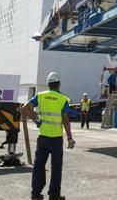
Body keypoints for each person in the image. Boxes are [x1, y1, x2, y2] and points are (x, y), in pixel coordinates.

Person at [22, 72, 75, 200]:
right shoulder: (63, 99)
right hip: (56, 139)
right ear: (59, 85)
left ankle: (35, 194)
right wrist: (70, 138)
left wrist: (36, 120)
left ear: (48, 84)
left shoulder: (40, 96)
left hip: (43, 138)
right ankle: (54, 195)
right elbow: (66, 120)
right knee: (56, 168)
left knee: (39, 166)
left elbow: (24, 108)